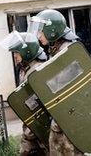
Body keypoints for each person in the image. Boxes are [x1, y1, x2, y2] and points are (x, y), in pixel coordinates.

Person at [27, 9, 82, 156]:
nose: (38, 35)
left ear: (51, 31)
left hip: (70, 115)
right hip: (62, 114)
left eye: (41, 31)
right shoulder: (56, 49)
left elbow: (66, 83)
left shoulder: (67, 49)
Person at [0, 31, 48, 156]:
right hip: (33, 128)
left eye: (17, 52)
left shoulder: (36, 71)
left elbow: (38, 103)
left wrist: (29, 133)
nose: (15, 56)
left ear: (26, 51)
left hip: (39, 127)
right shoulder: (25, 69)